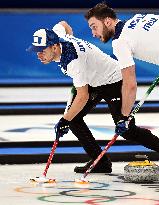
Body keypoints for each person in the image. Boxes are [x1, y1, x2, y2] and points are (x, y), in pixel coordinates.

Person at [27, 21, 159, 174]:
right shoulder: (58, 35)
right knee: (74, 120)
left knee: (127, 130)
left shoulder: (73, 61)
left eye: (42, 50)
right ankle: (100, 162)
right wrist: (68, 119)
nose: (38, 54)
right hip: (92, 80)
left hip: (114, 80)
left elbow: (83, 96)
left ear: (55, 47)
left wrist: (64, 120)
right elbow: (64, 24)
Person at [85, 2, 159, 136]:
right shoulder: (138, 18)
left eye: (94, 27)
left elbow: (130, 84)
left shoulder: (120, 42)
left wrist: (123, 118)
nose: (93, 34)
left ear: (107, 21)